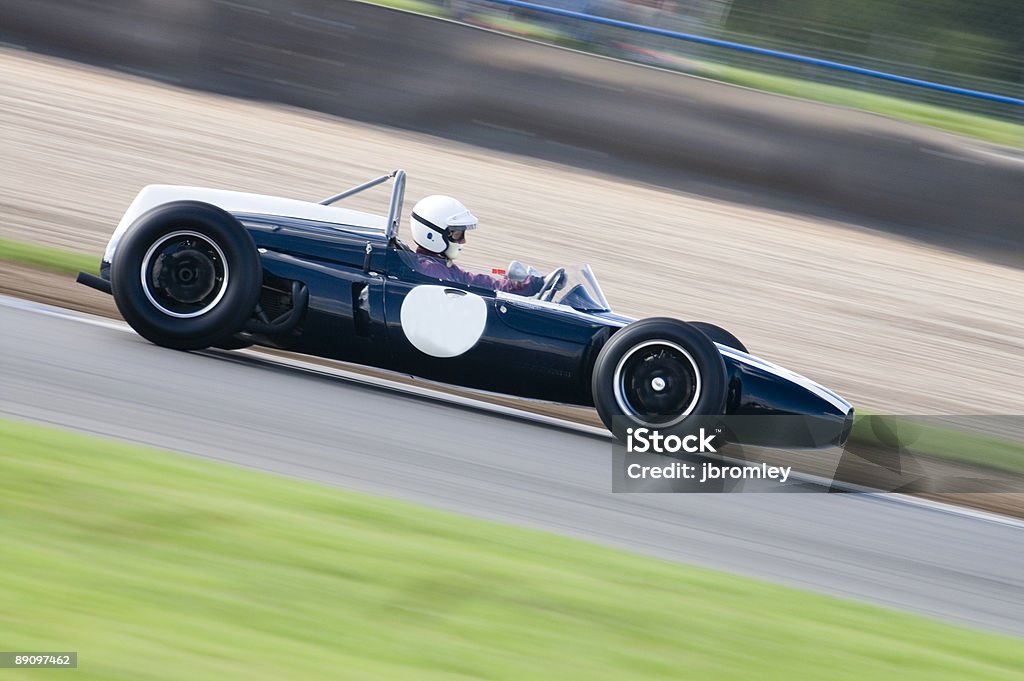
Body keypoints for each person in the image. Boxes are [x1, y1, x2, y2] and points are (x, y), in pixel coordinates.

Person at [408, 195, 544, 295]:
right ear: (432, 235)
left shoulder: (440, 265)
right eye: (457, 235)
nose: (463, 241)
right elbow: (467, 297)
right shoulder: (433, 270)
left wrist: (523, 285)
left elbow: (476, 282)